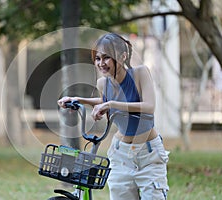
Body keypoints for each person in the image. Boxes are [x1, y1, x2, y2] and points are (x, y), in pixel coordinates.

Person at [57, 32, 169, 200]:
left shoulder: (140, 74)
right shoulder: (103, 83)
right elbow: (104, 100)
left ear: (123, 56)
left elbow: (149, 107)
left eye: (106, 58)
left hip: (148, 153)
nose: (101, 63)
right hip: (121, 153)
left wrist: (110, 105)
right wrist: (78, 99)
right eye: (97, 58)